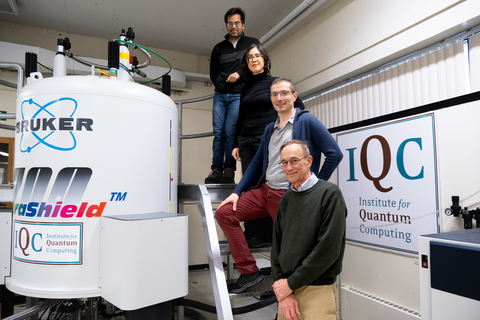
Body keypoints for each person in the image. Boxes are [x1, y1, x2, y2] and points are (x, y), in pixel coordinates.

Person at [215, 78, 343, 293]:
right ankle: (249, 272)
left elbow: (334, 153)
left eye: (284, 93)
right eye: (274, 94)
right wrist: (237, 192)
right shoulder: (270, 129)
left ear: (294, 96)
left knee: (292, 253)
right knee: (225, 213)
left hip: (287, 195)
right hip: (265, 190)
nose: (279, 98)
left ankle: (286, 303)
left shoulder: (307, 121)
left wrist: (315, 185)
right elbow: (256, 163)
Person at [233, 44, 305, 248]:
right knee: (250, 186)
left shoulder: (275, 83)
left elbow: (299, 107)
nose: (254, 59)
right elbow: (241, 116)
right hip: (246, 139)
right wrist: (236, 142)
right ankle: (252, 231)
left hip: (265, 139)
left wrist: (288, 131)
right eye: (249, 57)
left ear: (265, 59)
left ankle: (265, 233)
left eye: (257, 56)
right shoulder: (245, 86)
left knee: (266, 184)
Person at [271, 140, 347, 320]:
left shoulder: (330, 195)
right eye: (284, 162)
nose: (289, 167)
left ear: (309, 161)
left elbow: (328, 251)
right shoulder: (286, 199)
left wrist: (290, 283)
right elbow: (276, 246)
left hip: (317, 290)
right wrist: (284, 289)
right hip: (287, 290)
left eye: (294, 160)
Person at [206, 7, 260, 184]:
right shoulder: (218, 48)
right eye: (230, 23)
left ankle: (229, 169)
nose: (234, 26)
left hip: (239, 96)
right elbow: (213, 73)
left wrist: (239, 74)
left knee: (231, 132)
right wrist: (222, 85)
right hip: (220, 95)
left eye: (237, 23)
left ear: (243, 25)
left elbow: (256, 66)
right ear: (226, 25)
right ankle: (216, 170)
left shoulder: (252, 44)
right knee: (218, 133)